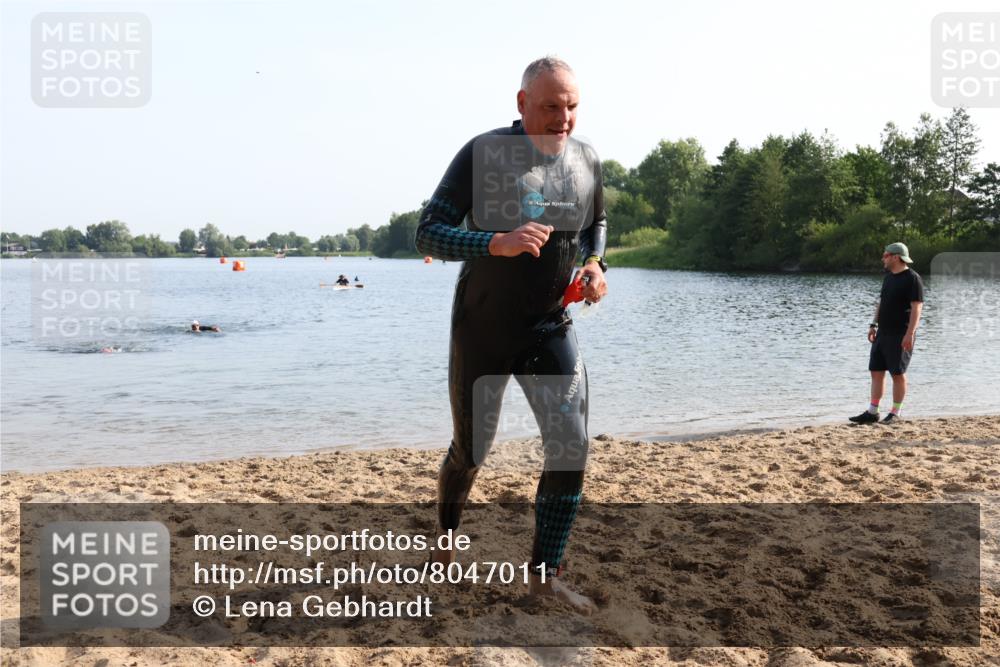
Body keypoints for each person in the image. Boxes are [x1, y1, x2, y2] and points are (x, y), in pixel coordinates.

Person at [414, 56, 607, 614]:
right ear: (522, 104)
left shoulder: (586, 158)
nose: (563, 118)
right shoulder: (484, 154)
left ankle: (545, 578)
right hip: (483, 330)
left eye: (571, 106)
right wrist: (493, 242)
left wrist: (595, 265)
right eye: (550, 106)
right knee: (471, 450)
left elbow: (596, 223)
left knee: (571, 449)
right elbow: (426, 232)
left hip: (550, 325)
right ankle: (446, 543)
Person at [849, 242, 924, 425]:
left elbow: (917, 308)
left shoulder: (912, 278)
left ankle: (895, 413)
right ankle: (872, 412)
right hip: (883, 332)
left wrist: (910, 333)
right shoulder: (889, 277)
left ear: (896, 257)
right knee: (876, 371)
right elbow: (881, 302)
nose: (883, 258)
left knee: (897, 373)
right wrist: (873, 324)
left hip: (901, 333)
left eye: (885, 255)